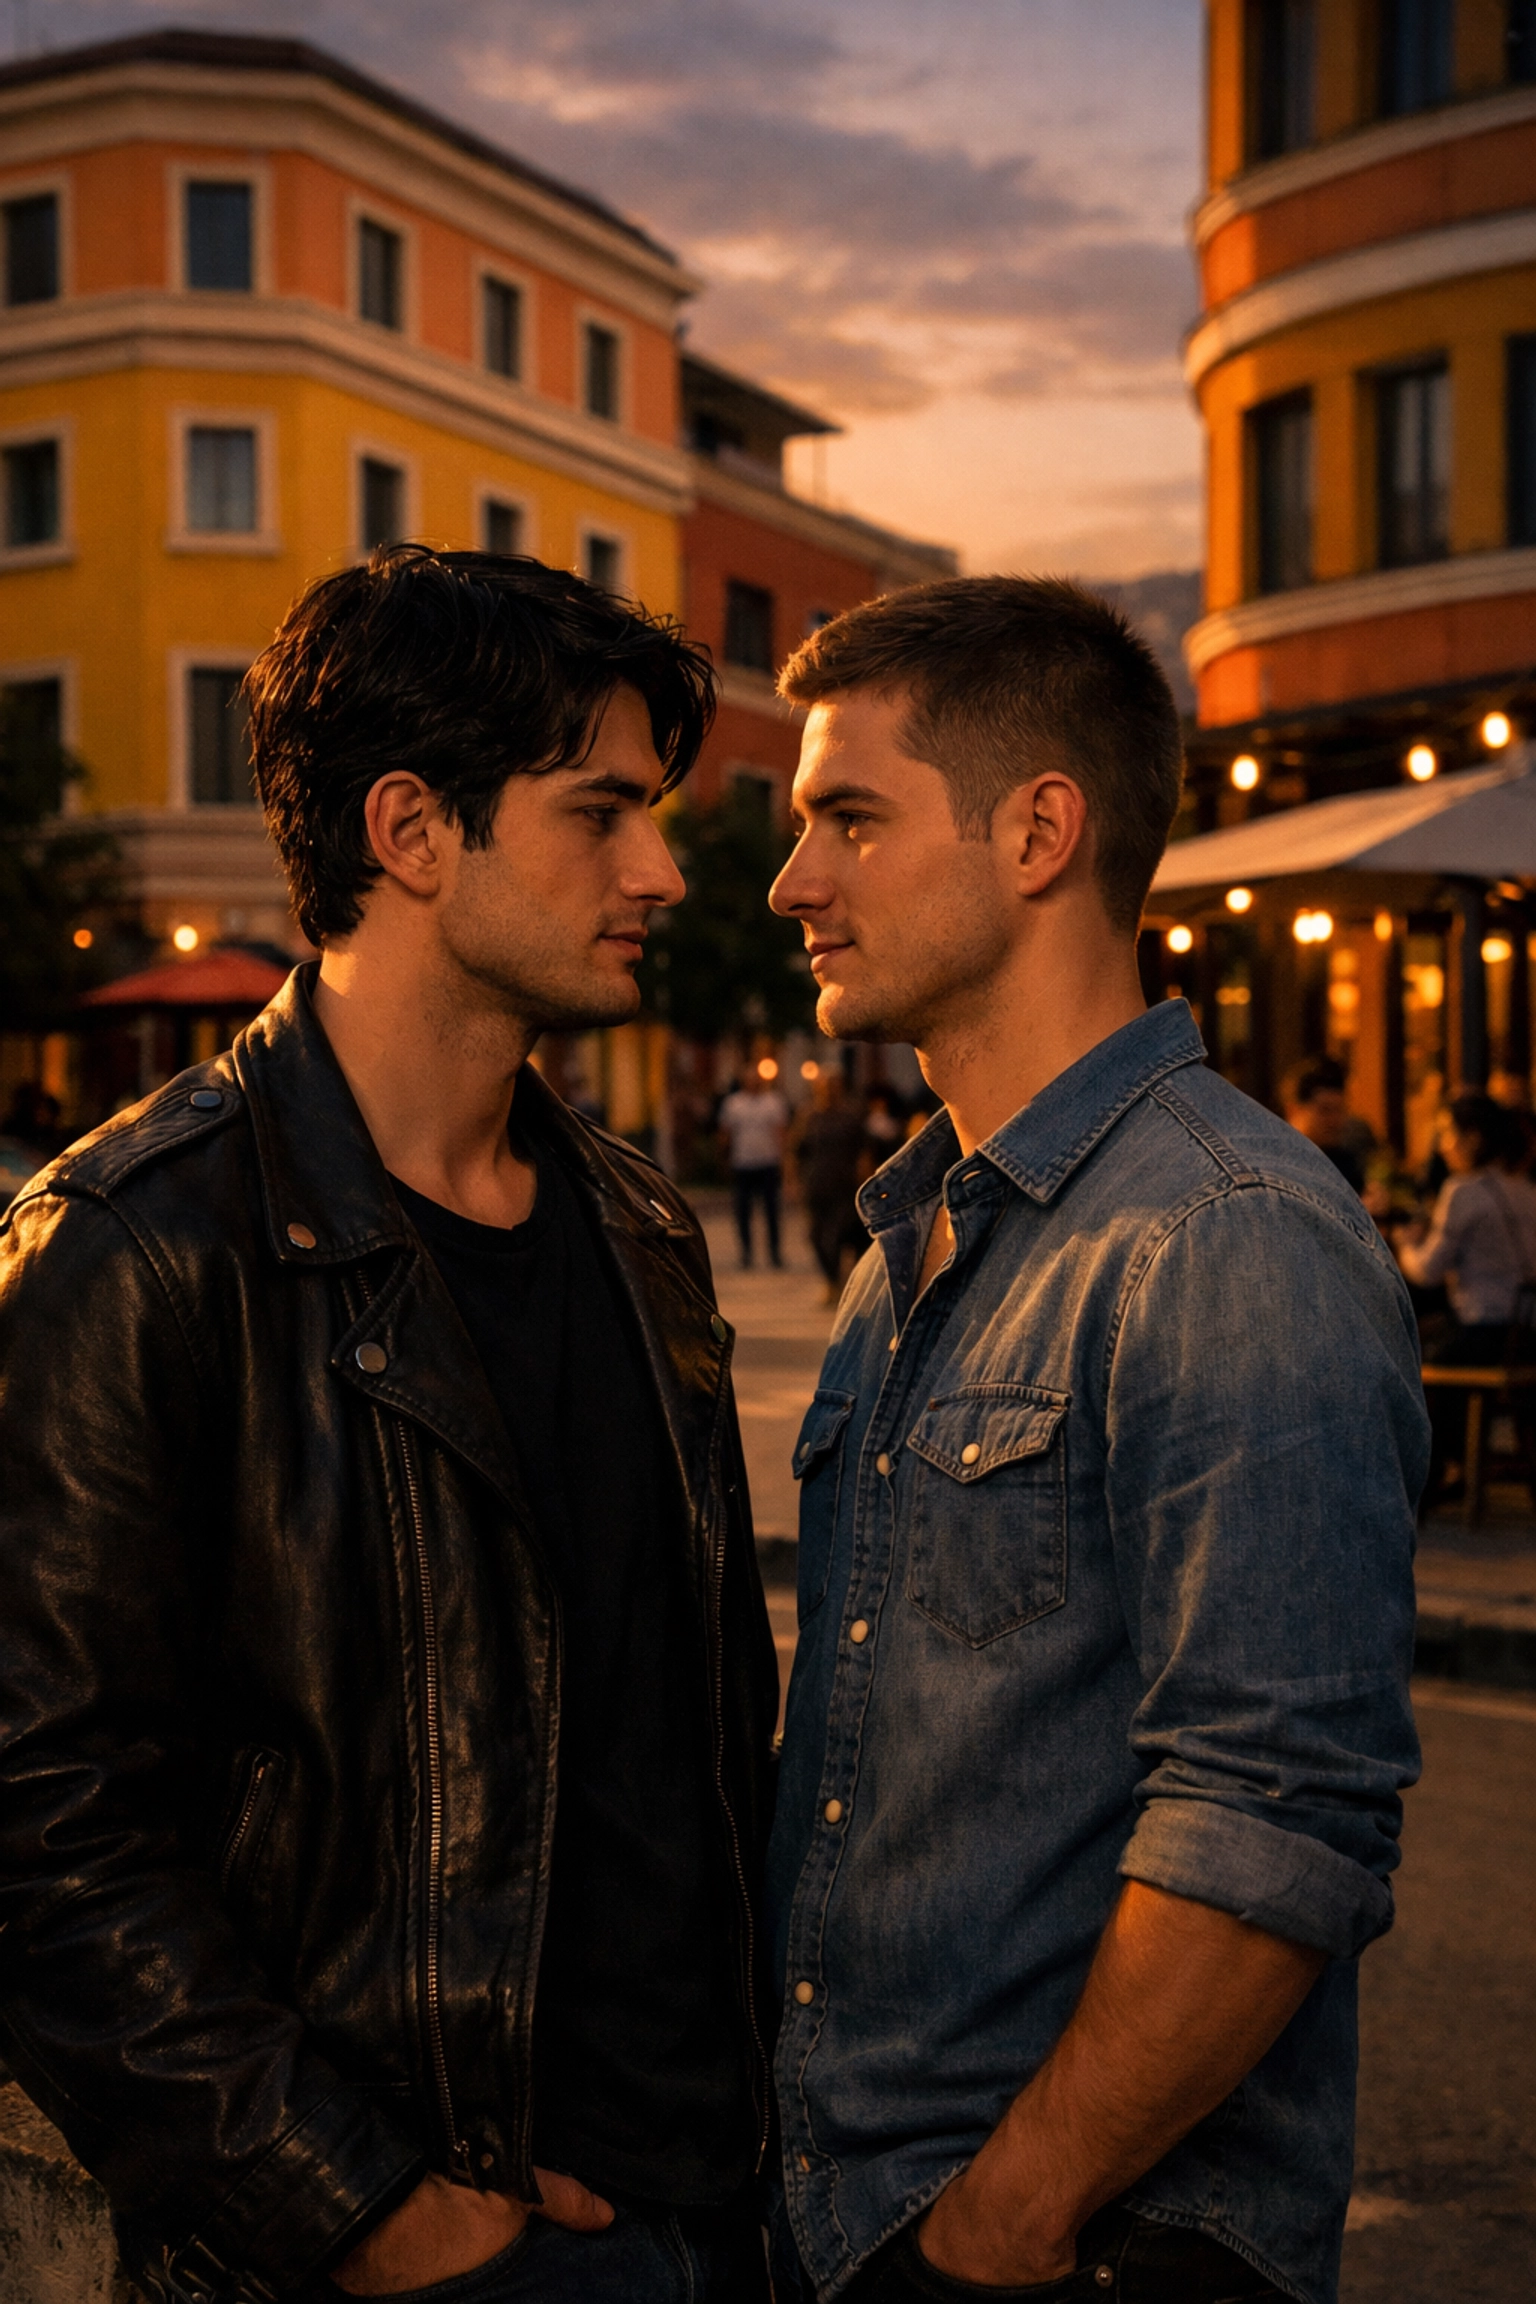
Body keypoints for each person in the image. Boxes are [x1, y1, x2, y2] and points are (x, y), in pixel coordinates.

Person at [0, 548, 779, 2304]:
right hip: (409, 2252)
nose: (661, 870)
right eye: (601, 812)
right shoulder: (137, 1245)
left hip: (714, 2208)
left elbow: (708, 1745)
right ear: (412, 830)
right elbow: (40, 1824)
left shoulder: (643, 1231)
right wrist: (359, 2209)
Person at [763, 576, 1427, 2304]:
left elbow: (1273, 1824)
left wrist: (1002, 2221)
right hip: (859, 2217)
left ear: (1039, 831)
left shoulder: (1225, 1236)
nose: (793, 882)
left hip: (1076, 2249)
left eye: (849, 818)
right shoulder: (911, 1244)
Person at [1398, 1090, 1536, 1497]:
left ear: (1472, 1138)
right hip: (1525, 1335)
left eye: (1446, 1134)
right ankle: (1458, 1464)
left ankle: (1441, 1470)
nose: (1442, 1146)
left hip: (1484, 1334)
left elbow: (1427, 1271)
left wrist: (1404, 1244)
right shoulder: (1525, 1189)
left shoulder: (1462, 1191)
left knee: (1408, 1355)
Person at [791, 1069, 868, 1304]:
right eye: (824, 1087)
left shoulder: (851, 1117)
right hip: (815, 1186)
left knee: (835, 1237)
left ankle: (838, 1283)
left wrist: (865, 1180)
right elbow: (796, 1151)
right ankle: (832, 1280)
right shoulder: (809, 1117)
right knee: (815, 1237)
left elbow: (864, 1151)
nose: (828, 1092)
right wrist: (792, 1180)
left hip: (844, 1188)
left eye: (833, 1087)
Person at [719, 1065, 790, 1269]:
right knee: (743, 1211)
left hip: (768, 1162)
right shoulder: (733, 1104)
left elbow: (780, 1133)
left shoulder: (773, 1102)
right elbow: (725, 1133)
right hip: (743, 1163)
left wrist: (784, 1161)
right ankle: (746, 1252)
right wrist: (724, 1159)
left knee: (772, 1211)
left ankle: (775, 1252)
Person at [1281, 1055, 1371, 1196]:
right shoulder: (1275, 1163)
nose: (1335, 1120)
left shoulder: (1344, 1163)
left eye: (1340, 1110)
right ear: (1293, 1110)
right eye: (1325, 1110)